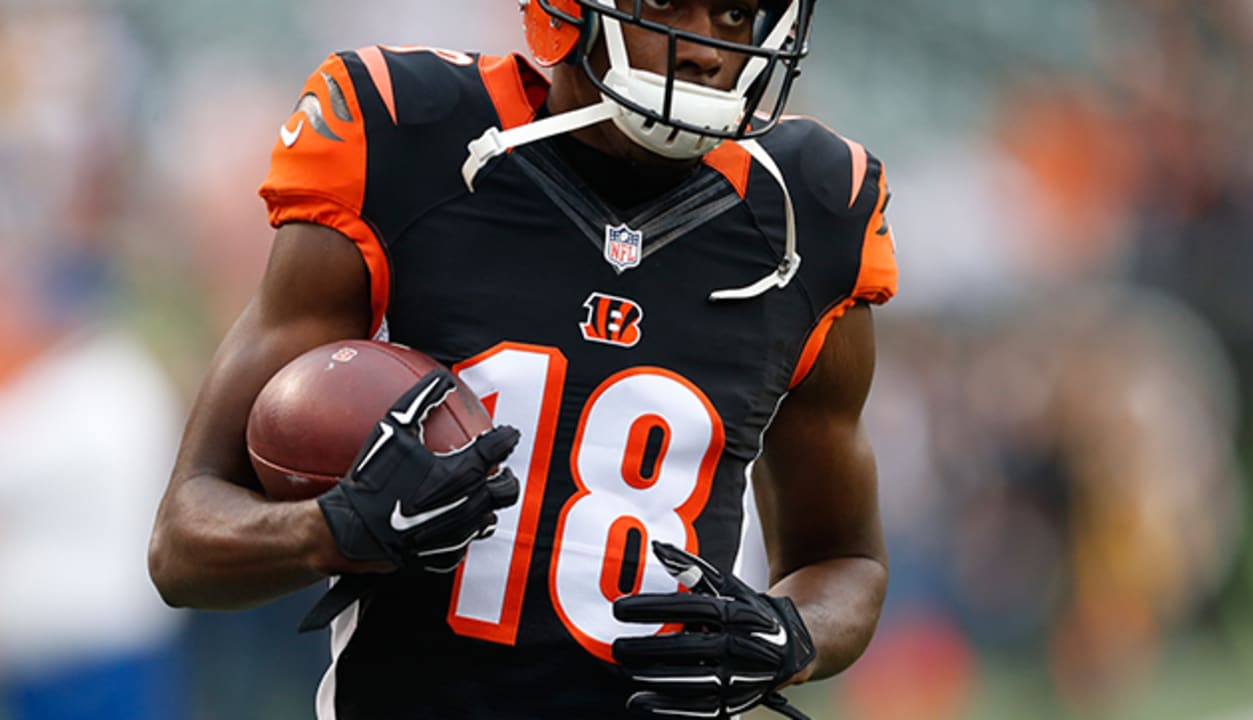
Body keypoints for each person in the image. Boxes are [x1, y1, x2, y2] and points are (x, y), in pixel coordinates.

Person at [147, 0, 898, 717]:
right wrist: (334, 527)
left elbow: (846, 560)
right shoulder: (410, 134)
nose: (706, 47)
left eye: (735, 13)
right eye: (668, 3)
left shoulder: (810, 210)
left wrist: (790, 635)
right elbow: (185, 543)